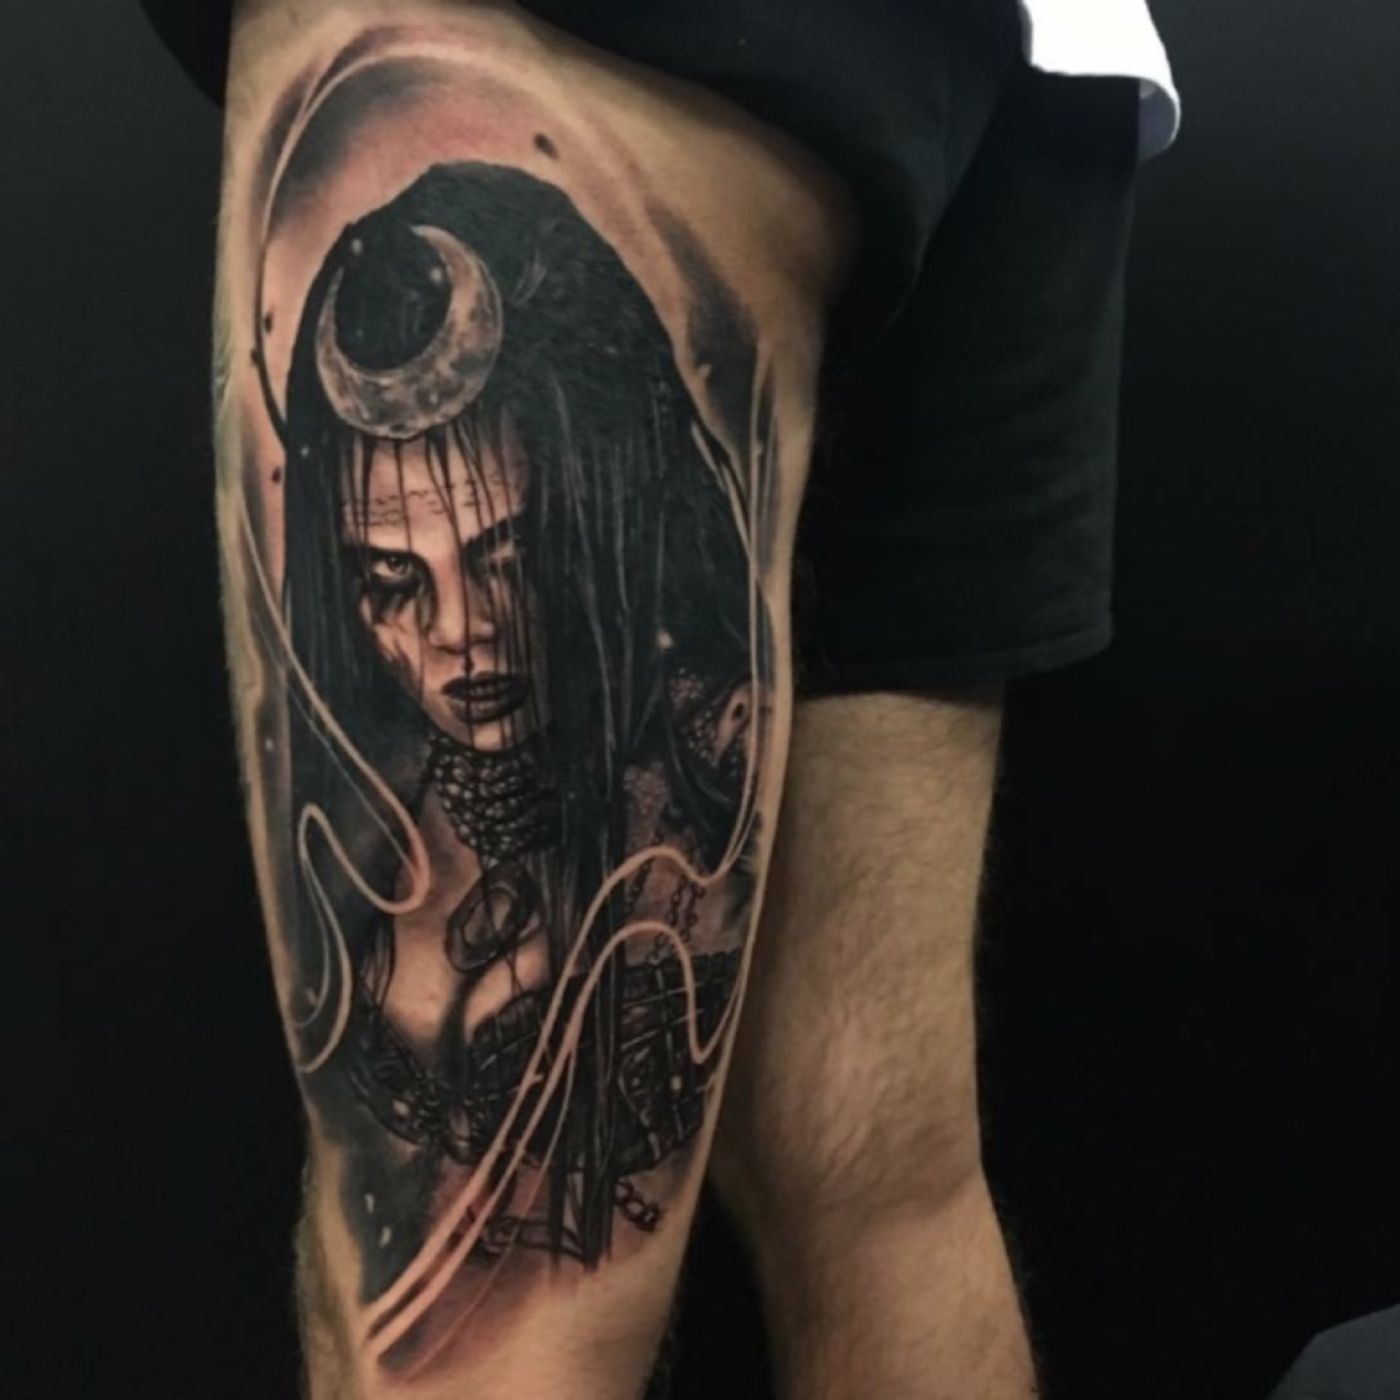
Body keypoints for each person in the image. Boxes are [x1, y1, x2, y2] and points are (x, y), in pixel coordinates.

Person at [141, 0, 1178, 1395]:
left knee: (484, 1339)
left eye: (509, 553)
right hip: (1044, 52)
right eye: (388, 581)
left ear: (609, 493)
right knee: (879, 1178)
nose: (457, 636)